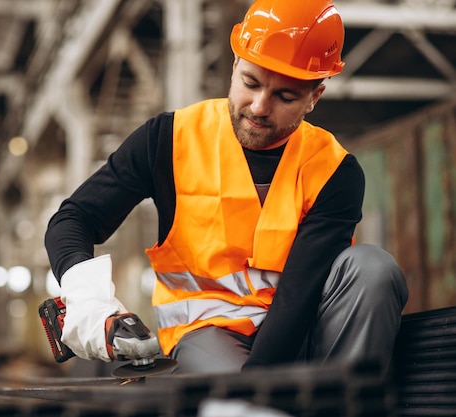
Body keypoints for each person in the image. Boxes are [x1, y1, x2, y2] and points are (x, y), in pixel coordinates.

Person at [44, 0, 408, 374]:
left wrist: (256, 392)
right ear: (235, 66)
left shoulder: (334, 170)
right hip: (208, 329)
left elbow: (299, 296)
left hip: (302, 327)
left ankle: (347, 399)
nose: (259, 106)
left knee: (373, 268)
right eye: (250, 83)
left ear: (314, 97)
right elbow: (74, 218)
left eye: (285, 96)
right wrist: (87, 299)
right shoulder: (168, 141)